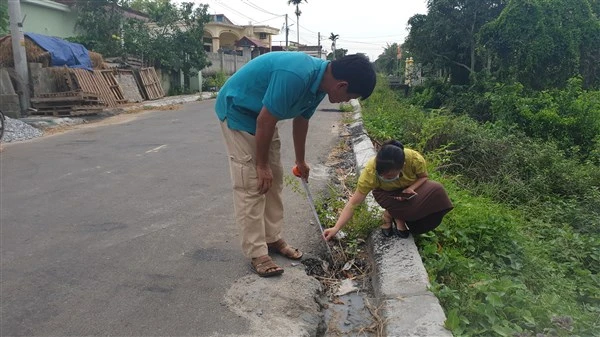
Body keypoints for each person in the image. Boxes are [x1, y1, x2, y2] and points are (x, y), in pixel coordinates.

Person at [216, 52, 376, 277]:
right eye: (351, 96)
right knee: (253, 183)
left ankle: (272, 238)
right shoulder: (296, 75)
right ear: (342, 85)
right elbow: (265, 120)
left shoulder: (321, 85)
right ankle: (257, 252)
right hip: (240, 112)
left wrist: (300, 160)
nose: (347, 101)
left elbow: (302, 119)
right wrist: (261, 165)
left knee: (274, 180)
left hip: (264, 119)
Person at [323, 140, 453, 241]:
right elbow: (354, 202)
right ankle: (392, 215)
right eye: (382, 175)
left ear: (402, 166)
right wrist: (336, 227)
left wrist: (410, 189)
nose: (385, 178)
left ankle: (396, 214)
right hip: (387, 195)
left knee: (437, 190)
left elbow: (424, 177)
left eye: (390, 176)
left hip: (411, 191)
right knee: (411, 212)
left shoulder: (414, 159)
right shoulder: (370, 172)